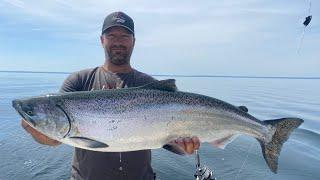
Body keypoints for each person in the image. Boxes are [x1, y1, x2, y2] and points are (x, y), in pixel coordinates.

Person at [21, 11, 200, 180]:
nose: (118, 42)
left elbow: (169, 141)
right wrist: (39, 131)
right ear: (102, 40)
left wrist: (184, 146)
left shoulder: (149, 86)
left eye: (124, 36)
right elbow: (55, 138)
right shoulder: (78, 81)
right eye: (112, 36)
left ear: (133, 41)